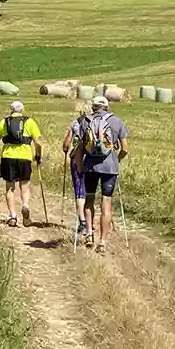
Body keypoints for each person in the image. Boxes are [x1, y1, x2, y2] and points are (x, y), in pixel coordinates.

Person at [70, 95, 129, 252]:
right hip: (110, 168)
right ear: (107, 107)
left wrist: (81, 168)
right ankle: (102, 241)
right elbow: (125, 149)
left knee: (89, 200)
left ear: (93, 107)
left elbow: (78, 150)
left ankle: (89, 233)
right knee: (106, 204)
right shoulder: (117, 121)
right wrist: (117, 160)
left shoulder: (85, 122)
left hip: (90, 167)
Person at [0, 101, 42, 227]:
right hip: (25, 158)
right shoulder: (29, 122)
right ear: (22, 110)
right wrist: (38, 155)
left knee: (10, 188)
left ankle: (13, 216)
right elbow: (38, 143)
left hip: (8, 158)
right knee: (24, 186)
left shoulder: (4, 122)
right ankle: (25, 205)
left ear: (11, 110)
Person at [63, 101, 93, 241]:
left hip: (77, 159)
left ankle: (82, 220)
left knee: (79, 191)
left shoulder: (74, 124)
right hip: (93, 160)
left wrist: (66, 149)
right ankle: (90, 221)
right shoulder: (94, 122)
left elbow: (66, 144)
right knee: (90, 190)